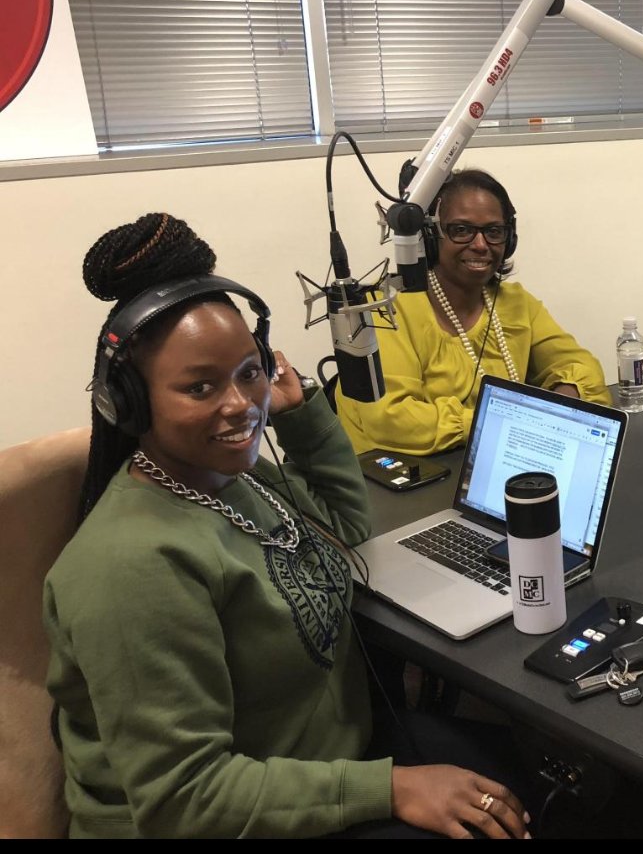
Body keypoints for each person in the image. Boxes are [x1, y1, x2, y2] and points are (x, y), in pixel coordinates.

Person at [44, 212, 533, 838]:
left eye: (248, 372)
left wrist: (299, 417)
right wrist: (391, 787)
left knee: (530, 776)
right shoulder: (131, 566)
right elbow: (184, 800)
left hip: (325, 765)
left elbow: (347, 531)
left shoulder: (233, 479)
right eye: (199, 388)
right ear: (130, 404)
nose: (241, 405)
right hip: (228, 816)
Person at [336, 168, 611, 456]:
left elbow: (584, 368)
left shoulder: (515, 303)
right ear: (430, 236)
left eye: (493, 232)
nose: (480, 245)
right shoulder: (385, 312)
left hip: (485, 462)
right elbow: (390, 419)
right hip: (393, 483)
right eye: (462, 230)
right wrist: (505, 422)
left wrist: (562, 402)